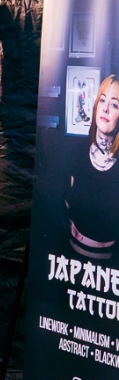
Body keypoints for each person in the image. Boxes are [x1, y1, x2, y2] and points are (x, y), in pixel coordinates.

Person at [67, 74, 119, 259]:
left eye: (114, 105)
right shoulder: (76, 150)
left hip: (107, 266)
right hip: (69, 257)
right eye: (102, 100)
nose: (105, 108)